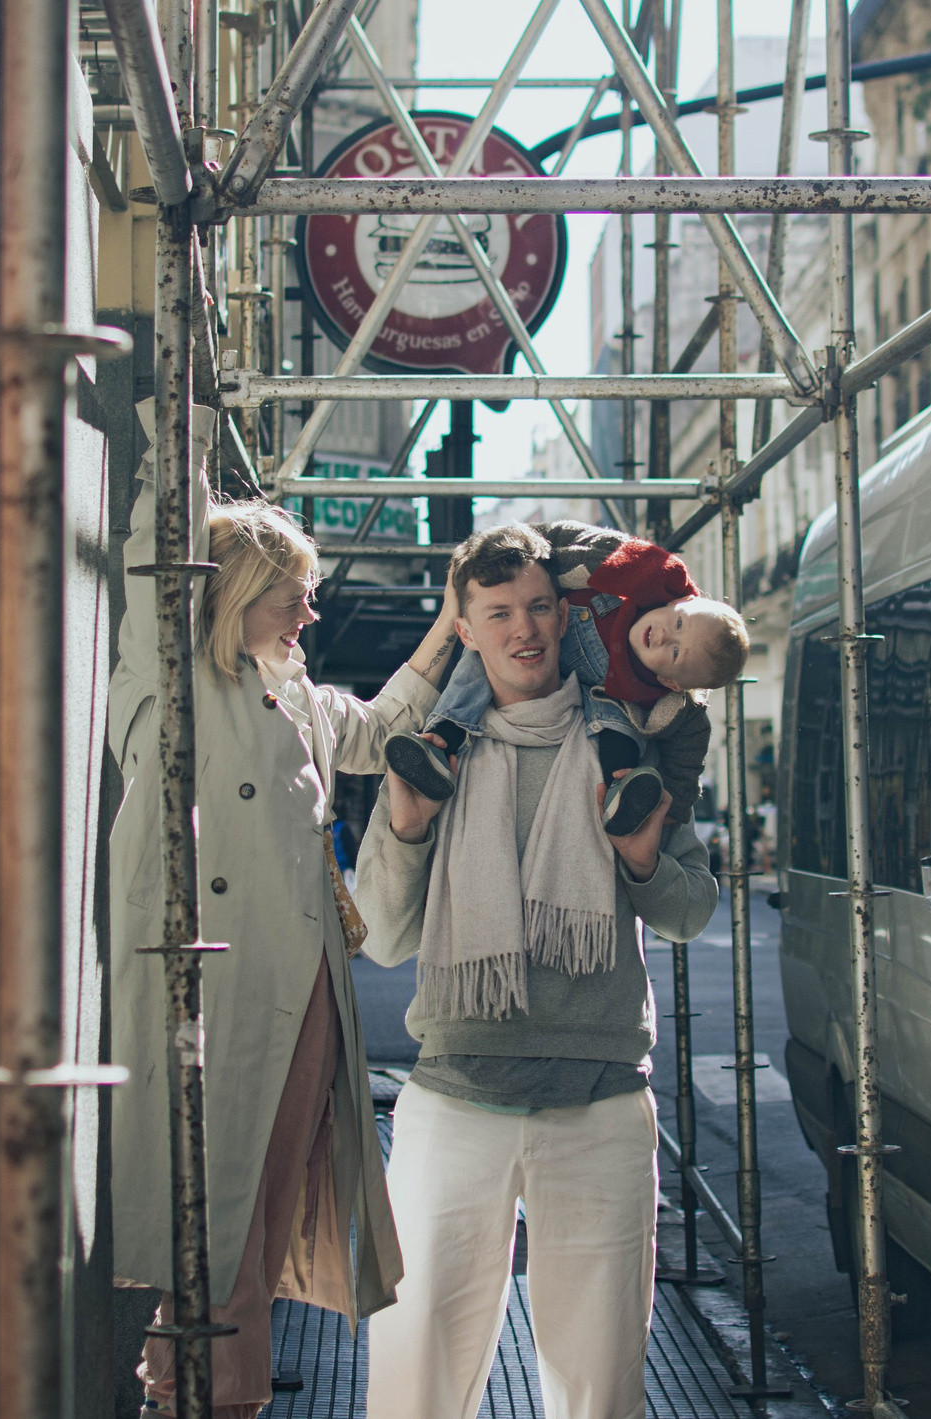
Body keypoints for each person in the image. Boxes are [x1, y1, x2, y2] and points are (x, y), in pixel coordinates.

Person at [105, 459, 462, 1419]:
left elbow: (383, 726)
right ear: (237, 592)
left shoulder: (292, 692)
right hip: (220, 993)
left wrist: (452, 621)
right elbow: (152, 554)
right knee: (215, 1218)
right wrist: (171, 425)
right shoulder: (169, 678)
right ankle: (201, 1398)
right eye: (294, 598)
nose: (308, 617)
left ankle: (206, 1394)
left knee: (254, 1218)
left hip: (303, 994)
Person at [356, 523, 721, 1419]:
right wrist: (404, 831)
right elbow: (381, 936)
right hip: (453, 1097)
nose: (524, 629)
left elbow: (689, 910)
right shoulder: (430, 754)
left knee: (601, 1390)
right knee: (415, 1382)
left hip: (597, 1104)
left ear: (566, 615)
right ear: (468, 629)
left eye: (538, 607)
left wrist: (641, 858)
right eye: (497, 613)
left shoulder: (625, 744)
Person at [386, 519, 747, 835]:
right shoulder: (650, 575)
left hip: (593, 694)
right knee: (477, 665)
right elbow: (579, 536)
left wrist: (674, 812)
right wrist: (522, 546)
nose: (668, 635)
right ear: (677, 601)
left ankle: (625, 798)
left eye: (676, 653)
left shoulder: (670, 705)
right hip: (550, 637)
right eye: (680, 623)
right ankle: (438, 745)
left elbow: (688, 762)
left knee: (617, 726)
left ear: (672, 683)